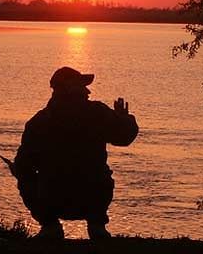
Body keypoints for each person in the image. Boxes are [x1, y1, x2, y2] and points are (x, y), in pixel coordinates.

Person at [10, 66, 139, 240]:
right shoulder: (97, 113)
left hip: (52, 198)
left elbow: (23, 167)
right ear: (69, 88)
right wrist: (124, 118)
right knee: (102, 175)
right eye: (82, 85)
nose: (88, 90)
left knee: (25, 177)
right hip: (91, 197)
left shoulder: (38, 122)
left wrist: (18, 170)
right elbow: (124, 138)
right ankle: (96, 225)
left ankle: (50, 226)